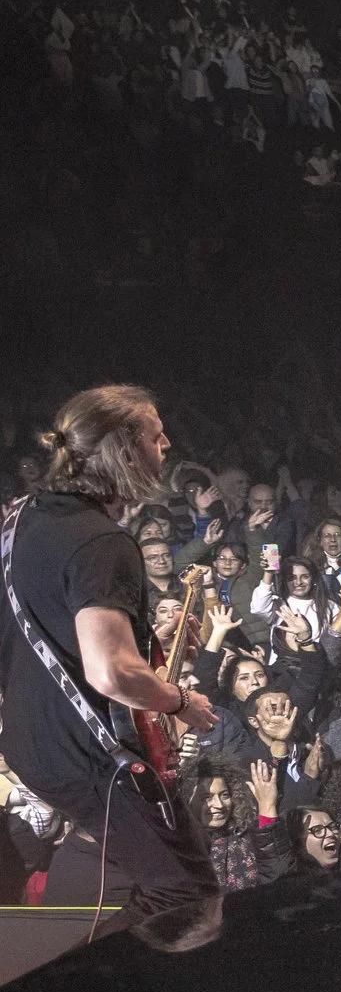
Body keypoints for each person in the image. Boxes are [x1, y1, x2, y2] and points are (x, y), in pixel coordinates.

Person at [0, 385, 219, 944]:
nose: (166, 444)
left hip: (34, 737)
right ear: (124, 450)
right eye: (154, 434)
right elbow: (109, 675)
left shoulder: (24, 517)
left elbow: (59, 627)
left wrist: (146, 639)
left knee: (187, 877)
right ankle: (75, 988)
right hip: (84, 750)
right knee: (181, 896)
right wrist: (180, 702)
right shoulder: (103, 542)